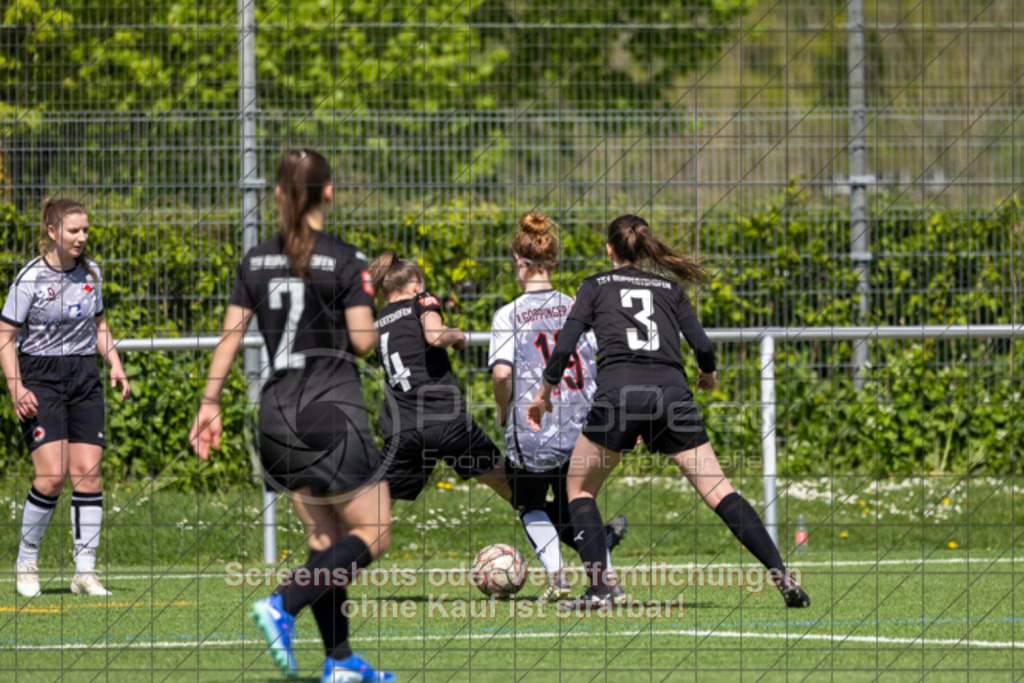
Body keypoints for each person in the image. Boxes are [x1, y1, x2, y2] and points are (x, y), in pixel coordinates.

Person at [526, 214, 810, 610]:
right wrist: (707, 376)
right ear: (644, 250)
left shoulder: (593, 286)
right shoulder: (669, 289)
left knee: (579, 489)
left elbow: (564, 346)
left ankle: (599, 591)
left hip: (619, 396)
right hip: (672, 396)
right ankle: (782, 576)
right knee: (719, 490)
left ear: (609, 248)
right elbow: (705, 348)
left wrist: (543, 394)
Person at [189, 150, 395, 682]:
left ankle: (341, 662)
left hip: (276, 419)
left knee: (325, 543)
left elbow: (230, 338)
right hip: (332, 414)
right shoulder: (346, 258)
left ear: (279, 195)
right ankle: (283, 603)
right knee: (373, 534)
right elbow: (364, 343)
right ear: (328, 192)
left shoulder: (255, 259)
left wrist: (209, 404)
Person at [488, 211, 627, 601]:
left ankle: (557, 576)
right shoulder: (579, 307)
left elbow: (501, 375)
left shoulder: (508, 315)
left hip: (533, 425)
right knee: (579, 501)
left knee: (530, 502)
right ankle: (607, 580)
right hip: (582, 423)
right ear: (553, 261)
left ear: (519, 261)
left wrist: (503, 411)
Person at [0, 198, 130, 599]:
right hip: (40, 376)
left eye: (86, 230)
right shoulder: (29, 279)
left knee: (88, 474)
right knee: (52, 476)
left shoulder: (92, 273)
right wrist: (16, 385)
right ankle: (26, 560)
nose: (82, 237)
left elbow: (100, 325)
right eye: (74, 230)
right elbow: (5, 337)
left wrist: (115, 363)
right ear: (52, 231)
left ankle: (84, 572)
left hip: (83, 376)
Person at [367, 252, 510, 508]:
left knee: (375, 514)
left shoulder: (377, 324)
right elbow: (435, 335)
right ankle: (578, 532)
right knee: (513, 488)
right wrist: (457, 335)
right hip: (445, 419)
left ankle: (341, 546)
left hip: (405, 429)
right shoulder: (421, 301)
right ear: (415, 284)